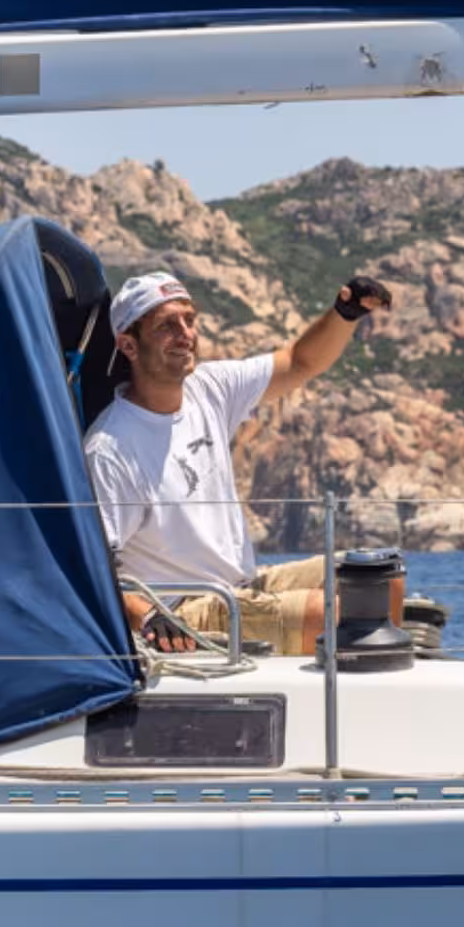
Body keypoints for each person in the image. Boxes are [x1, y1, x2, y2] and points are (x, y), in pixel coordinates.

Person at [84, 271, 390, 654]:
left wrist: (345, 314)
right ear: (129, 345)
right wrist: (147, 617)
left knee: (378, 576)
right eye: (167, 326)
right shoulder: (110, 449)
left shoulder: (209, 389)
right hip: (180, 611)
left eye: (189, 320)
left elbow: (299, 362)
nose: (185, 334)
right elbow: (92, 569)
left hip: (238, 588)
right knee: (325, 613)